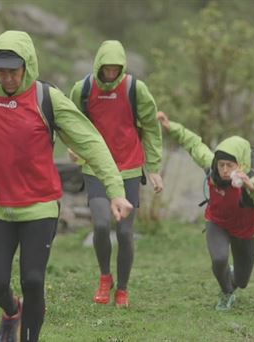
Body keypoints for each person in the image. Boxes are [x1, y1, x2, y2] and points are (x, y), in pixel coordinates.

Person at [0, 30, 133, 342]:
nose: (8, 78)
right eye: (1, 71)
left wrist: (116, 190)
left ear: (27, 66)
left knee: (32, 278)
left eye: (13, 71)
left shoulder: (47, 99)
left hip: (39, 206)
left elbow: (91, 143)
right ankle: (12, 311)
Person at [69, 40, 164, 308]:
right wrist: (73, 147)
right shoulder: (83, 89)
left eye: (115, 69)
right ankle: (105, 277)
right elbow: (70, 121)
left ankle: (122, 288)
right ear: (98, 66)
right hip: (96, 166)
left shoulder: (135, 89)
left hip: (129, 168)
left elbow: (150, 127)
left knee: (124, 232)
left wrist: (154, 168)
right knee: (100, 224)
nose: (110, 74)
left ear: (121, 68)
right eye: (106, 69)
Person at [156, 111, 254, 311]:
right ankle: (226, 293)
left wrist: (252, 187)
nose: (225, 170)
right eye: (221, 165)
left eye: (230, 165)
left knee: (242, 280)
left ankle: (233, 279)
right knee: (219, 259)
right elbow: (194, 143)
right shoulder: (212, 168)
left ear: (242, 165)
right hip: (217, 222)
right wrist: (171, 127)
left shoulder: (251, 181)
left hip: (245, 229)